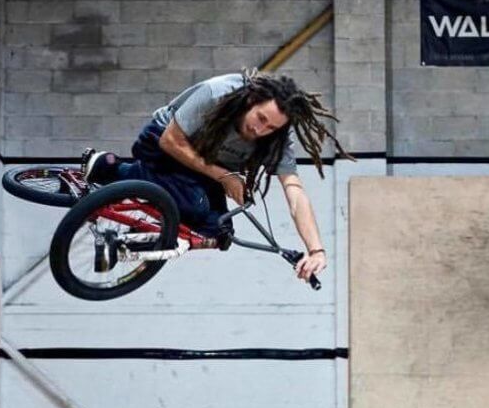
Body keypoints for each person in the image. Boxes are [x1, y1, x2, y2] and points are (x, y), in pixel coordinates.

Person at [81, 69, 353, 282]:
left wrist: (316, 249)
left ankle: (124, 240)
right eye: (260, 118)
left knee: (218, 231)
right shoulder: (217, 93)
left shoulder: (277, 139)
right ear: (250, 101)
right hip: (163, 143)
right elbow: (170, 142)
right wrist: (224, 177)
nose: (261, 130)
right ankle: (113, 169)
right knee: (194, 205)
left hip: (203, 166)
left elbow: (295, 192)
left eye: (271, 127)